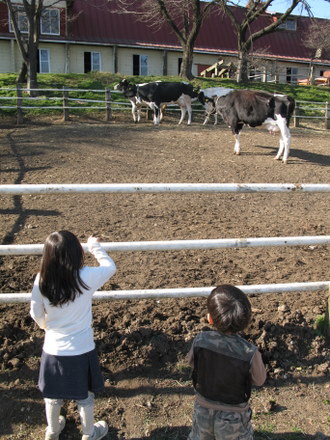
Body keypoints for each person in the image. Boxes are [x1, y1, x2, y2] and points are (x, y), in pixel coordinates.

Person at [30, 231, 116, 440]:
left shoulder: (41, 279)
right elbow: (110, 268)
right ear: (77, 253)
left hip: (53, 349)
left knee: (52, 395)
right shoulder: (85, 277)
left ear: (47, 255)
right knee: (85, 395)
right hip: (82, 348)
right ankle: (89, 433)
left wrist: (46, 328)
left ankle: (52, 430)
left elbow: (36, 313)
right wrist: (94, 245)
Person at [187, 284, 266, 440]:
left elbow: (191, 362)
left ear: (210, 318)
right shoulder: (250, 352)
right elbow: (259, 380)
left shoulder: (200, 340)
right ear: (246, 320)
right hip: (234, 417)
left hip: (203, 409)